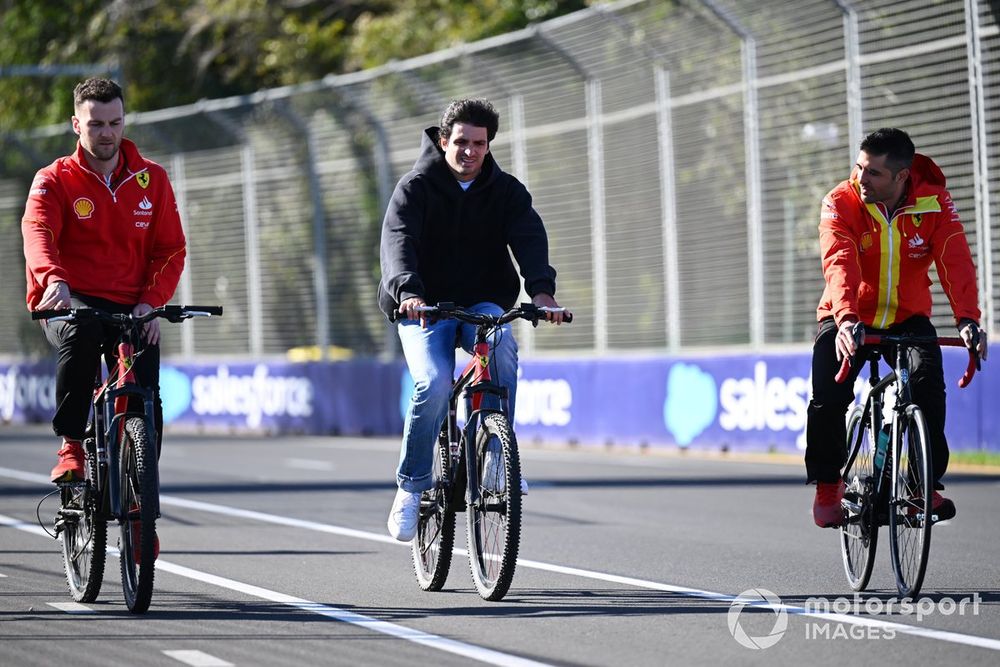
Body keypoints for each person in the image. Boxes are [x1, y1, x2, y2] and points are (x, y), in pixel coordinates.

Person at [378, 98, 569, 541]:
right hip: (423, 306)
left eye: (478, 144)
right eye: (461, 142)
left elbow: (529, 238)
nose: (469, 151)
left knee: (501, 347)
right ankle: (411, 487)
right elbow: (398, 242)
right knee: (434, 382)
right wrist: (409, 292)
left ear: (489, 146)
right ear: (443, 141)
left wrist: (542, 291)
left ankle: (497, 457)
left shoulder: (506, 192)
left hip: (482, 302)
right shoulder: (416, 187)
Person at [21, 77, 186, 558]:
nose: (107, 133)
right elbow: (38, 233)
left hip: (133, 308)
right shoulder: (53, 179)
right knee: (81, 330)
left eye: (115, 122)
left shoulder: (150, 179)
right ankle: (72, 446)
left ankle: (140, 508)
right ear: (77, 124)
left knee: (145, 403)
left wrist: (150, 301)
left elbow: (171, 249)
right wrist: (54, 280)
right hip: (68, 302)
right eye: (96, 124)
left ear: (124, 121)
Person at [806, 127, 987, 528]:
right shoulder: (840, 201)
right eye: (859, 167)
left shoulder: (935, 202)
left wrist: (968, 320)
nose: (861, 179)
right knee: (828, 396)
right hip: (846, 313)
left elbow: (956, 261)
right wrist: (848, 319)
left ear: (902, 177)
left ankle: (922, 485)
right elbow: (839, 263)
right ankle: (827, 483)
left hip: (907, 316)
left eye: (873, 173)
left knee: (927, 386)